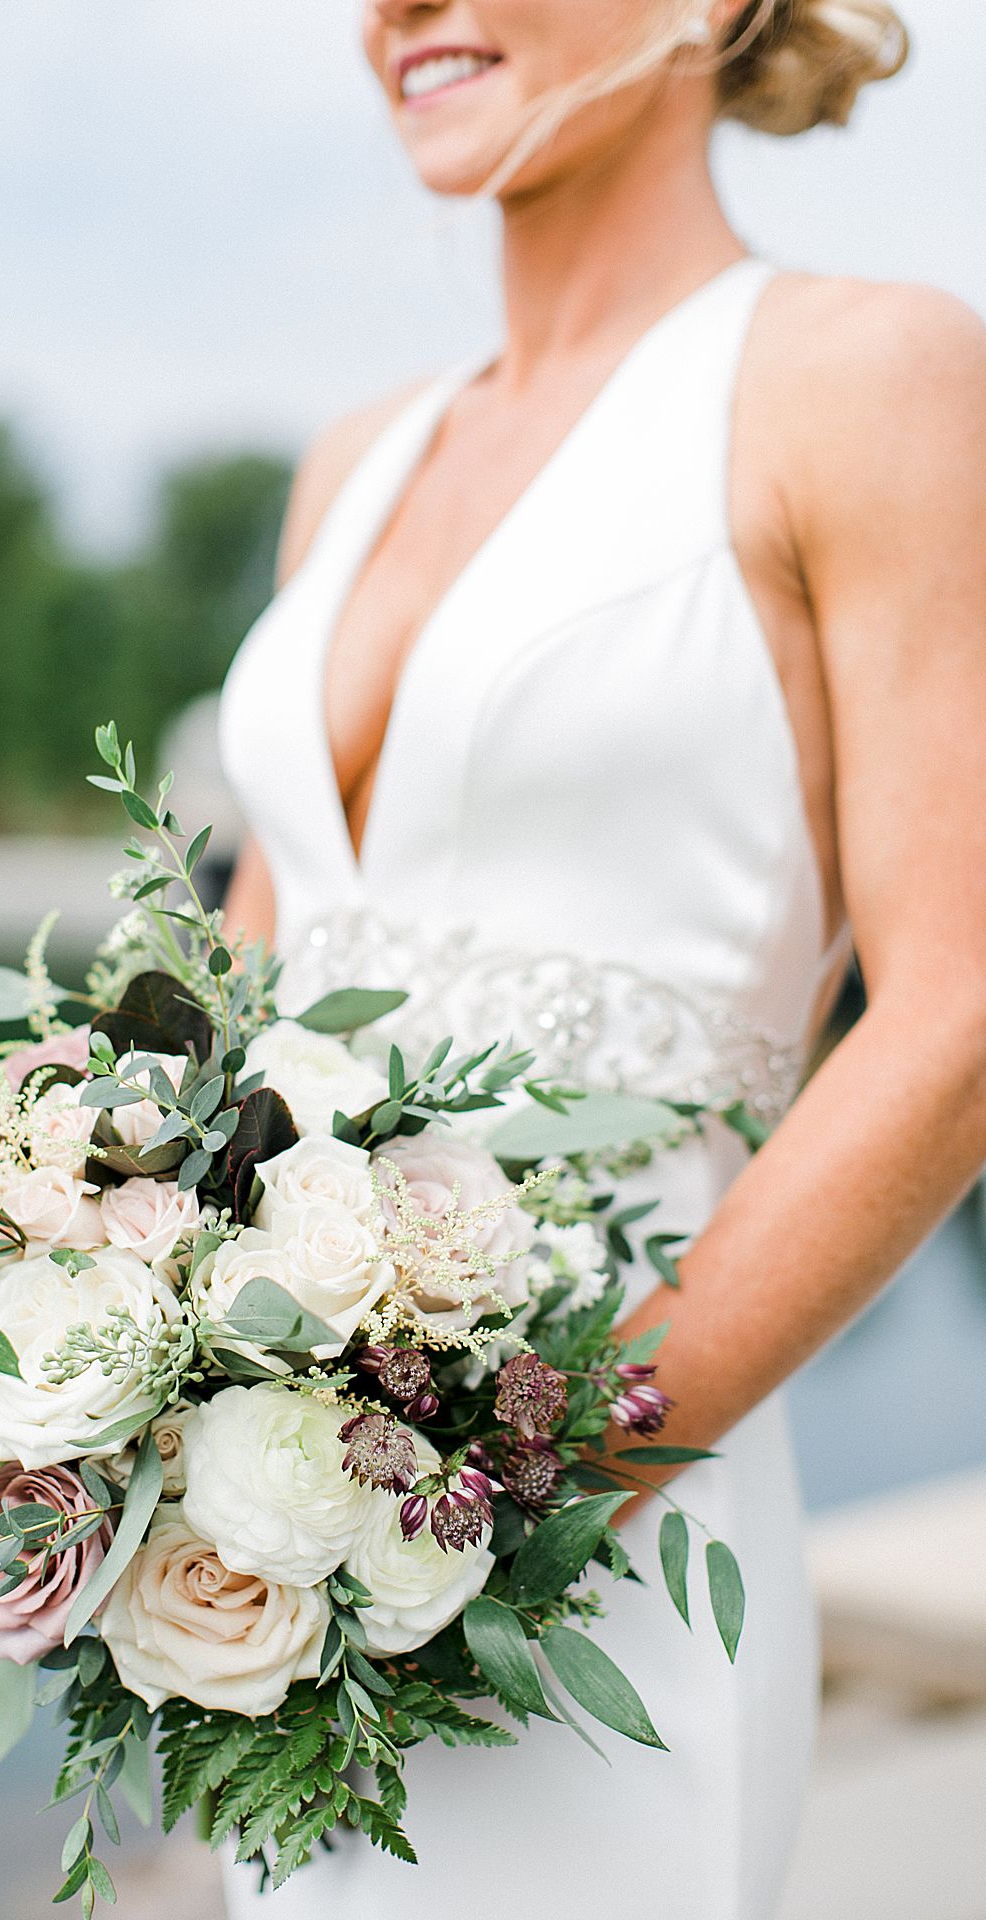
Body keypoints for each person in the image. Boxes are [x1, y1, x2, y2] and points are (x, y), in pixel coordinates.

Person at [218, 3, 986, 1914]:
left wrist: (526, 1499)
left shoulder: (863, 375)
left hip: (605, 1558)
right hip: (286, 1571)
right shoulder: (355, 461)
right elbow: (244, 982)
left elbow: (959, 1010)